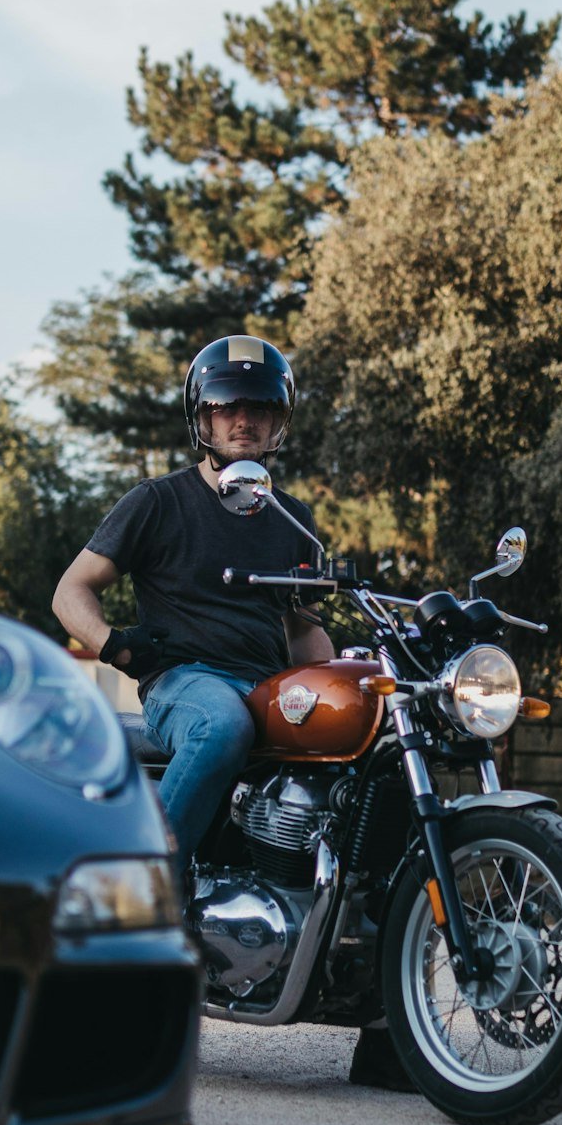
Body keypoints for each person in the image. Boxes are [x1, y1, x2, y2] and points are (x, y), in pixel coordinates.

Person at [52, 335, 333, 860]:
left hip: (268, 687)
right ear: (202, 417)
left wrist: (341, 686)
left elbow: (304, 630)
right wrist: (115, 645)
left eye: (259, 407)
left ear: (279, 421)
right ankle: (142, 883)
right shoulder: (157, 501)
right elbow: (71, 590)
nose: (243, 420)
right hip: (185, 682)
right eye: (227, 406)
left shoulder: (292, 517)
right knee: (221, 724)